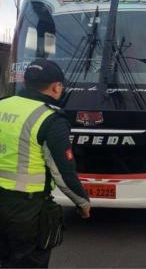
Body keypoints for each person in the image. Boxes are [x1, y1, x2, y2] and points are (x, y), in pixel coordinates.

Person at [0, 59, 91, 268]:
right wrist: (82, 202)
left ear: (25, 81)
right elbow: (63, 172)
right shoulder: (50, 119)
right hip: (27, 210)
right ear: (57, 87)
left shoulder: (2, 104)